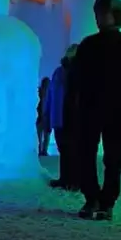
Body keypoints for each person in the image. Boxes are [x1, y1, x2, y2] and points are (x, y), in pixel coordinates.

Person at [71, 0, 121, 221]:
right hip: (94, 109)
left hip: (112, 111)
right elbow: (77, 80)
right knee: (90, 155)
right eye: (97, 13)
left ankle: (105, 201)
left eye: (102, 13)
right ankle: (93, 198)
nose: (98, 18)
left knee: (111, 158)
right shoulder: (89, 45)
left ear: (115, 15)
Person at [45, 45, 79, 191]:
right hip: (60, 116)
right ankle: (65, 178)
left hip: (75, 117)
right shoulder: (58, 72)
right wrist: (47, 114)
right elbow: (50, 96)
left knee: (74, 150)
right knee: (64, 149)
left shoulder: (81, 72)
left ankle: (74, 180)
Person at [36, 77, 52, 156]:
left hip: (44, 118)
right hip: (42, 118)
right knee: (42, 135)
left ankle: (43, 150)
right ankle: (42, 150)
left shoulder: (44, 94)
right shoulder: (49, 94)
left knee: (44, 135)